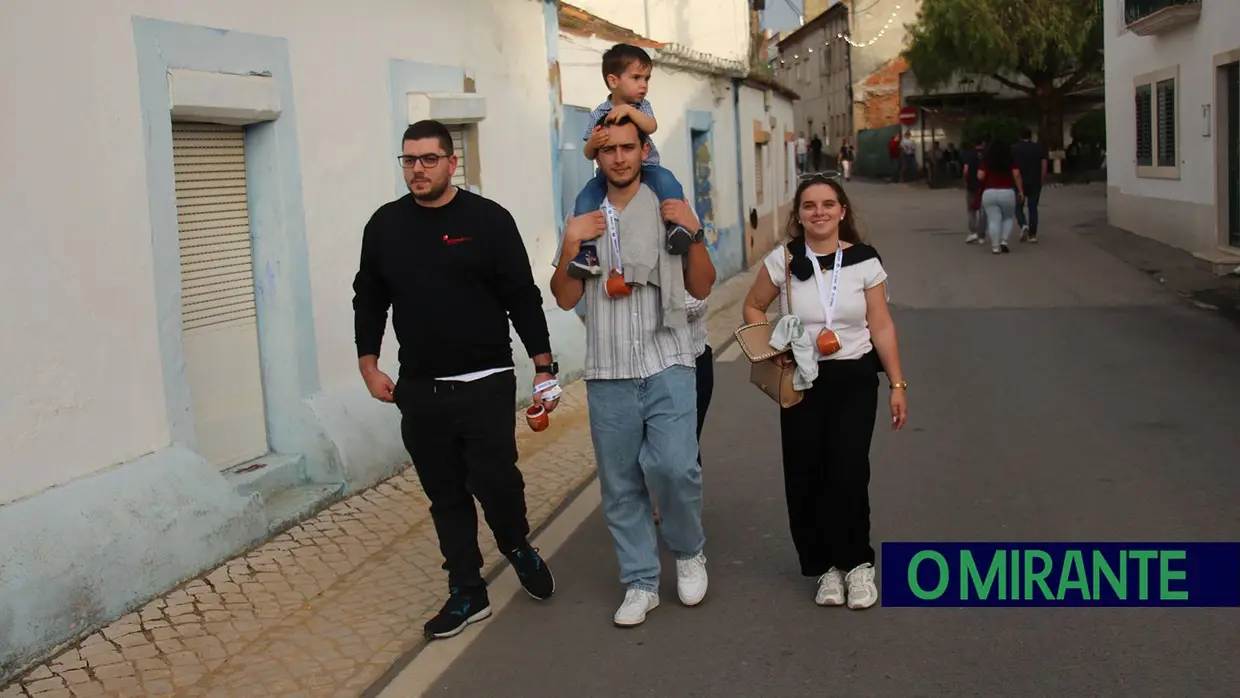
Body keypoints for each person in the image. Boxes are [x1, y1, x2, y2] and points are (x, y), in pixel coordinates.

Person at [352, 119, 558, 640]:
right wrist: (369, 362)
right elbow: (369, 296)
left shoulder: (488, 220)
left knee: (496, 483)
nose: (416, 170)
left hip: (486, 380)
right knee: (445, 495)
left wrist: (543, 365)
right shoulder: (384, 225)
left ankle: (515, 543)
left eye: (426, 159)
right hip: (419, 388)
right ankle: (468, 591)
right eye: (407, 160)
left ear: (451, 162)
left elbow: (521, 295)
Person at [549, 115, 716, 628]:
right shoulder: (584, 215)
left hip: (669, 356)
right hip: (609, 367)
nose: (619, 158)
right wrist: (571, 244)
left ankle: (688, 551)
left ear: (644, 151)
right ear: (597, 157)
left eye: (628, 148)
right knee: (620, 484)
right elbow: (564, 296)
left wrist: (692, 231)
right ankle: (640, 581)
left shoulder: (667, 205)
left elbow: (704, 286)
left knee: (675, 467)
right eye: (609, 150)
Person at [740, 175, 908, 610]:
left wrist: (896, 383)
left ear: (842, 211)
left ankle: (857, 566)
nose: (819, 212)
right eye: (810, 205)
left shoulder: (866, 261)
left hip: (853, 378)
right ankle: (825, 570)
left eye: (828, 204)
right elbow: (753, 305)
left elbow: (882, 325)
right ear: (798, 215)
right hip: (800, 379)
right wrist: (772, 347)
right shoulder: (783, 261)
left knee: (849, 472)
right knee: (806, 474)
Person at [567, 43, 691, 280]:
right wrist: (595, 141)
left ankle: (676, 228)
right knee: (585, 199)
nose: (643, 84)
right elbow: (588, 153)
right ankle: (588, 253)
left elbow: (651, 126)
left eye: (647, 78)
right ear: (613, 81)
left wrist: (629, 111)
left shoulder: (642, 107)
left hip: (648, 168)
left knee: (668, 182)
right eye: (636, 77)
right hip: (608, 176)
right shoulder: (598, 113)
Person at [977, 139, 1025, 255]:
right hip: (1007, 192)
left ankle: (995, 246)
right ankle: (1004, 240)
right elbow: (1017, 175)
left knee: (993, 219)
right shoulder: (1010, 160)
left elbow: (980, 176)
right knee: (1007, 218)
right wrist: (1021, 191)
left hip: (989, 192)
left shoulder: (986, 161)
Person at [1011, 128, 1048, 243]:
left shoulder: (1015, 149)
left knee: (1018, 207)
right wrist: (1041, 179)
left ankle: (1023, 224)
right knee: (1033, 208)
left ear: (1020, 136)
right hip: (1034, 181)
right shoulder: (1039, 148)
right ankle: (1033, 234)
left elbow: (1014, 168)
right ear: (1031, 136)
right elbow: (1044, 165)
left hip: (1019, 182)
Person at [962, 136, 987, 244]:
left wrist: (965, 180)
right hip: (984, 185)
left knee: (971, 209)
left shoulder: (969, 154)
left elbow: (966, 169)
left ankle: (973, 232)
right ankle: (981, 235)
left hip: (972, 184)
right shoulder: (987, 154)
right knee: (984, 211)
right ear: (983, 143)